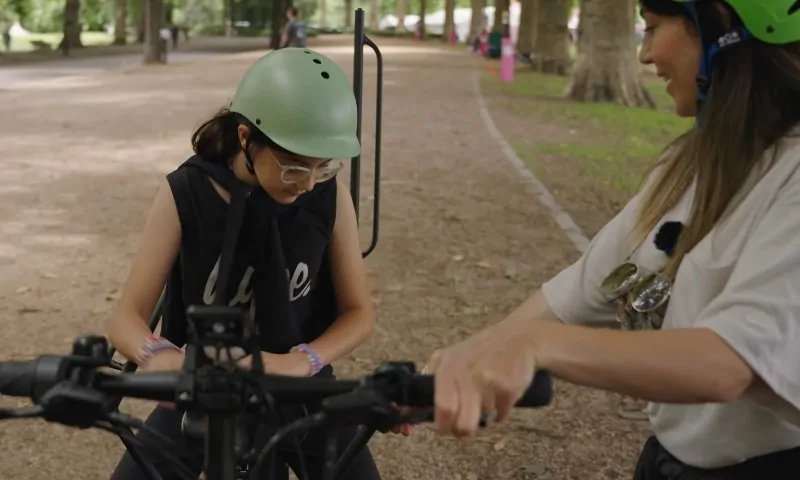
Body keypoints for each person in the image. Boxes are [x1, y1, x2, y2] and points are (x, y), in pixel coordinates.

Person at [426, 0, 800, 478]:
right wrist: (459, 364)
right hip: (668, 461)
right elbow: (582, 289)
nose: (645, 54)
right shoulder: (689, 167)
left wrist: (533, 344)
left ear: (721, 25)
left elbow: (728, 363)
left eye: (654, 27)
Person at [105, 48, 386, 479]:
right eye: (294, 167)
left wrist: (303, 361)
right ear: (245, 138)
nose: (308, 183)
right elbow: (126, 319)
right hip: (204, 388)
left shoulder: (328, 195)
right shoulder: (186, 192)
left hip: (299, 384)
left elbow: (359, 313)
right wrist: (160, 357)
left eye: (324, 167)